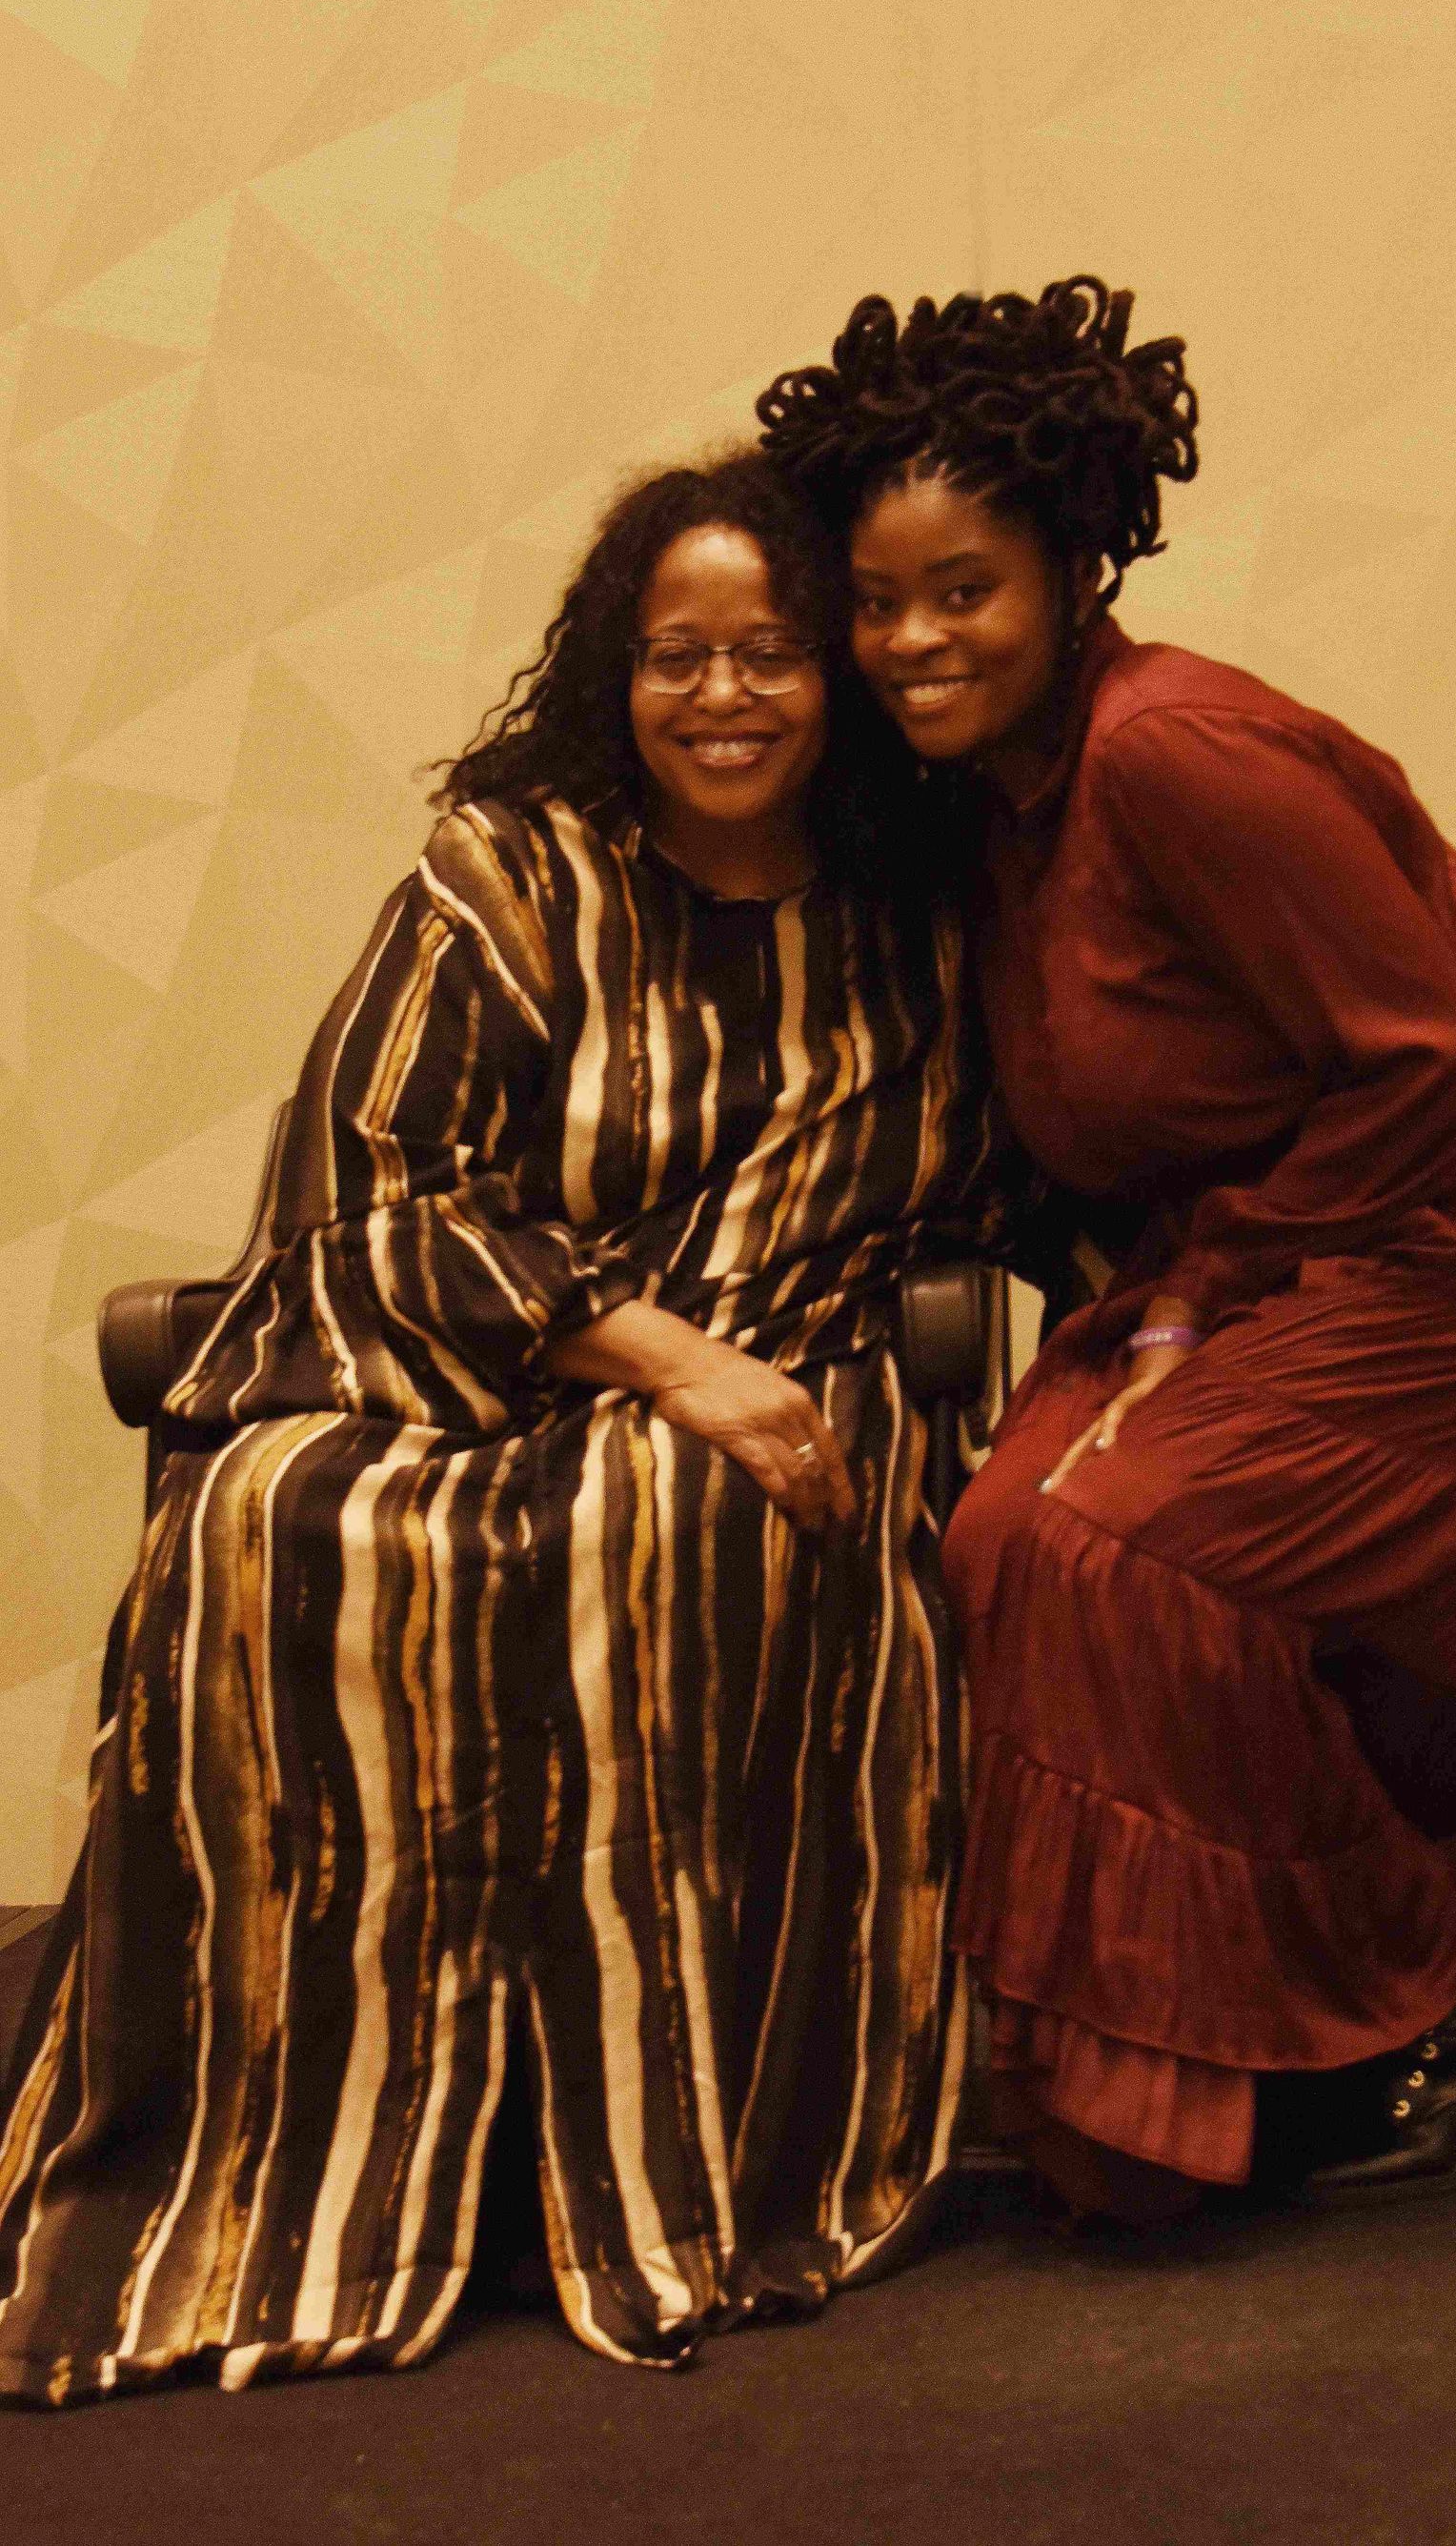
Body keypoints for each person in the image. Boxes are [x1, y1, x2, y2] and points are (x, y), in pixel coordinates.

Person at [0, 451, 1014, 2403]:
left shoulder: (918, 911)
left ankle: (639, 2150)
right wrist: (644, 1347)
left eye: (773, 654)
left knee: (661, 1532)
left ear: (840, 679)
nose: (723, 697)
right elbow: (375, 1187)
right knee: (268, 1520)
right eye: (677, 656)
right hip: (477, 1352)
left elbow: (985, 1173)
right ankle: (316, 2167)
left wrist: (729, 1375)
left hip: (789, 1367)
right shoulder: (511, 873)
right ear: (612, 672)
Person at [756, 280, 1456, 2218]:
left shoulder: (1171, 751)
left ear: (1070, 562)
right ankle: (1321, 2005)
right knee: (1000, 1522)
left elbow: (1435, 1061)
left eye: (962, 589)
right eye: (876, 603)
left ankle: (1427, 1977)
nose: (911, 640)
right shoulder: (1003, 804)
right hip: (1334, 1209)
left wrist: (1203, 1299)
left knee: (1106, 1543)